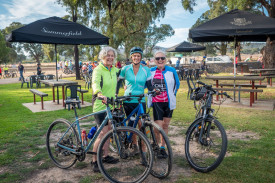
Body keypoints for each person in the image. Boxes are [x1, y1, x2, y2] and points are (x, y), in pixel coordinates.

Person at [117, 47, 154, 154]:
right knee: (132, 123)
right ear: (131, 57)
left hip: (140, 100)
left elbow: (149, 85)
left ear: (141, 57)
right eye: (134, 56)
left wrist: (153, 90)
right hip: (128, 100)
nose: (136, 57)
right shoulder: (125, 69)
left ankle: (143, 147)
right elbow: (119, 82)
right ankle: (134, 145)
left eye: (138, 56)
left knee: (141, 124)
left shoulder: (146, 69)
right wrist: (116, 94)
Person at [91, 47, 120, 172]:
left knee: (109, 132)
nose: (110, 57)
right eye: (107, 55)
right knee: (101, 133)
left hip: (111, 105)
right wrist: (99, 93)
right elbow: (95, 83)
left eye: (112, 55)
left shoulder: (114, 69)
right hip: (100, 105)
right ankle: (94, 161)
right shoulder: (98, 70)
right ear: (103, 57)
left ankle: (105, 155)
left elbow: (125, 73)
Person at [148, 50, 180, 158]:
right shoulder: (151, 71)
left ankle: (162, 147)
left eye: (162, 58)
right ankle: (155, 146)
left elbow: (177, 83)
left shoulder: (171, 70)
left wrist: (172, 94)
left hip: (168, 102)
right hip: (157, 102)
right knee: (157, 127)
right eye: (158, 58)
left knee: (165, 126)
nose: (160, 60)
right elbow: (146, 84)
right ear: (154, 60)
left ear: (165, 59)